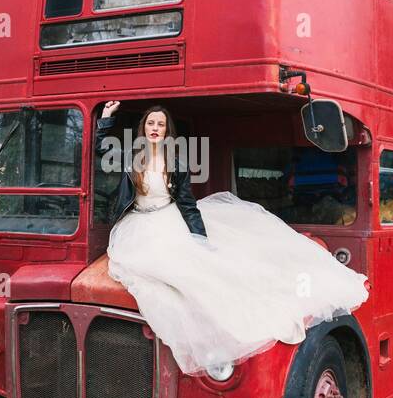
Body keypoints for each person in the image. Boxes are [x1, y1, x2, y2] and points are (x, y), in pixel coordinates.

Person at [96, 101, 369, 377]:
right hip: (137, 226)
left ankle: (223, 332)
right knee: (152, 272)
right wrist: (106, 118)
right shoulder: (133, 156)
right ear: (144, 128)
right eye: (151, 124)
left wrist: (199, 239)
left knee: (196, 273)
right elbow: (100, 152)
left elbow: (188, 205)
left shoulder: (175, 162)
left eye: (160, 125)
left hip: (168, 221)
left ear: (167, 132)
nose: (155, 128)